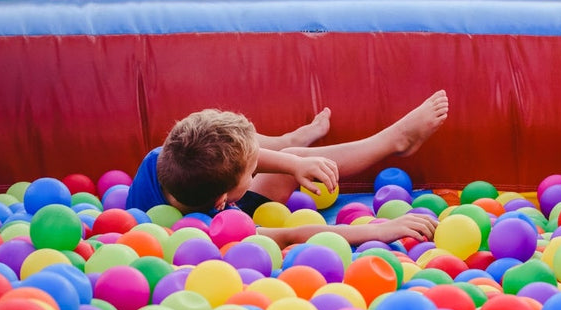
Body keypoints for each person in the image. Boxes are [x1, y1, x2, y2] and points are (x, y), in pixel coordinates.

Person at [126, 91, 450, 245]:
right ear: (223, 201)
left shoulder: (160, 159)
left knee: (292, 156)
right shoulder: (216, 233)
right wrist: (377, 230)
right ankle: (396, 140)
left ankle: (289, 141)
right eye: (250, 170)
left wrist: (296, 163)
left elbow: (246, 159)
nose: (255, 168)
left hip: (212, 193)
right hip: (229, 226)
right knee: (287, 160)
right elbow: (292, 233)